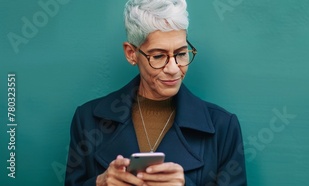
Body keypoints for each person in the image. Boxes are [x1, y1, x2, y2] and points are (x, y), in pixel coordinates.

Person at [64, 0, 247, 185]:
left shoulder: (223, 127)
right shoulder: (87, 120)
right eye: (158, 56)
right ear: (131, 53)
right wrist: (99, 183)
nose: (174, 69)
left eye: (181, 53)